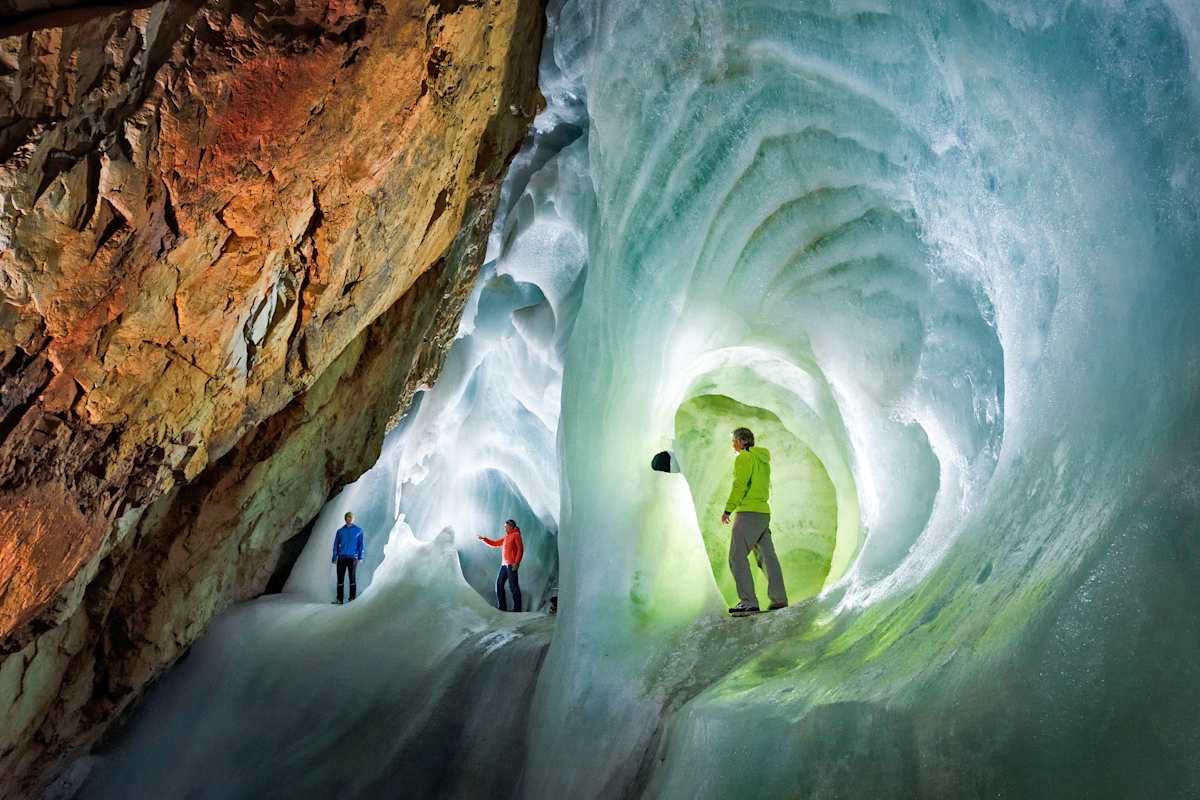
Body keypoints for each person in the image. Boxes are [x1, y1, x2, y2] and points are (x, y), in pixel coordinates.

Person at [722, 427, 788, 616]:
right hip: (763, 513)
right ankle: (779, 599)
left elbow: (740, 485)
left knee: (736, 556)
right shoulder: (763, 459)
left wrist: (728, 509)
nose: (733, 444)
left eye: (734, 440)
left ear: (742, 441)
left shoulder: (744, 457)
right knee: (767, 557)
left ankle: (748, 602)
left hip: (748, 513)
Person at [478, 519, 524, 612]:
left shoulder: (516, 535)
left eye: (506, 526)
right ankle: (502, 607)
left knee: (513, 587)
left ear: (511, 526)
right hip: (504, 565)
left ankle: (517, 608)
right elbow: (495, 544)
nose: (504, 528)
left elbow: (520, 549)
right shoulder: (506, 537)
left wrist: (517, 563)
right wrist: (484, 539)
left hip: (512, 565)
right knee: (499, 585)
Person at [331, 511, 364, 604]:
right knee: (340, 578)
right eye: (347, 517)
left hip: (353, 558)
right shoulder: (340, 531)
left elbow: (360, 545)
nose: (349, 519)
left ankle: (352, 598)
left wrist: (360, 557)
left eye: (350, 517)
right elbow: (336, 545)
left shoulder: (359, 530)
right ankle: (339, 599)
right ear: (345, 519)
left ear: (353, 519)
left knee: (352, 577)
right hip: (341, 558)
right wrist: (334, 557)